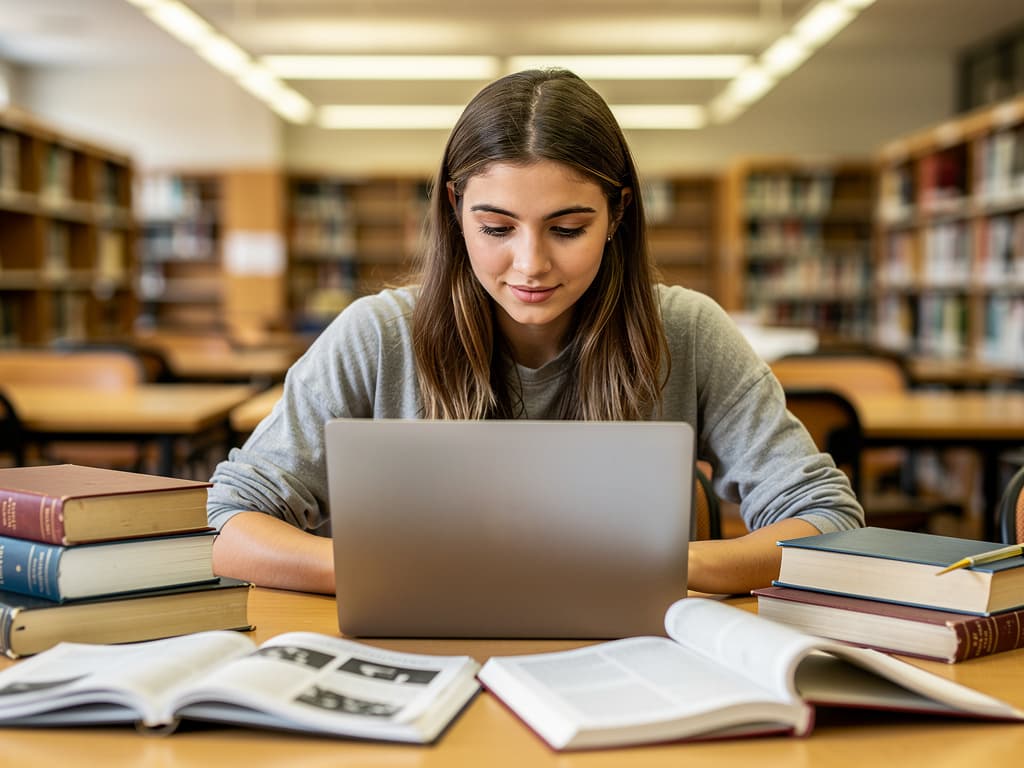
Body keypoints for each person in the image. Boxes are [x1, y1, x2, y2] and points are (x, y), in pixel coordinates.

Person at [207, 68, 864, 596]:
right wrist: (393, 575)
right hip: (412, 655)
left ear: (618, 216)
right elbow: (234, 526)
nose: (530, 265)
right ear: (454, 210)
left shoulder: (688, 331)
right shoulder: (375, 335)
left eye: (567, 228)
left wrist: (662, 570)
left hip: (627, 659)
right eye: (496, 228)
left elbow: (827, 519)